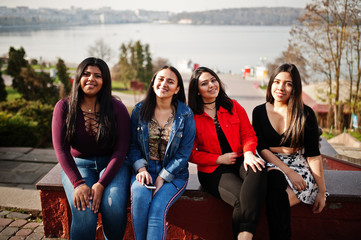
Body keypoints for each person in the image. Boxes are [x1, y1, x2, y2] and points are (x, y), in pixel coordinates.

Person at [52, 57, 131, 240]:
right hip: (79, 165)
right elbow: (61, 150)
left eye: (98, 75)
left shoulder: (116, 108)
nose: (91, 79)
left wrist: (101, 184)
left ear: (105, 81)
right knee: (84, 208)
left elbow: (121, 150)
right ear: (79, 77)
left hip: (113, 164)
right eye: (86, 74)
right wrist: (78, 183)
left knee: (113, 205)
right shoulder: (63, 107)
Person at [188, 67, 267, 240]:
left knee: (259, 169)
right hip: (212, 169)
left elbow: (248, 134)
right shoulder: (191, 117)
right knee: (242, 198)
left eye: (213, 80)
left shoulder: (233, 106)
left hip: (240, 159)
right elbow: (190, 153)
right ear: (197, 91)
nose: (211, 85)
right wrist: (218, 159)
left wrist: (248, 153)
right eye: (204, 83)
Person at [252, 63, 327, 240]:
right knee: (275, 180)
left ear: (295, 87)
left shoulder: (305, 114)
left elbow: (313, 155)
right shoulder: (259, 112)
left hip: (299, 164)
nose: (281, 88)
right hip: (271, 162)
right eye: (277, 82)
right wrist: (288, 172)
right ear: (271, 83)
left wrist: (322, 192)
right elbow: (261, 148)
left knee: (276, 201)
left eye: (288, 83)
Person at [128, 66, 196, 240]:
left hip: (174, 175)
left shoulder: (185, 115)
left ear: (177, 89)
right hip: (144, 171)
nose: (164, 84)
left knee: (157, 210)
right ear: (153, 83)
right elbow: (132, 145)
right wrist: (141, 169)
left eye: (170, 81)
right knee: (140, 199)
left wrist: (162, 177)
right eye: (160, 79)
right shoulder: (139, 110)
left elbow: (184, 153)